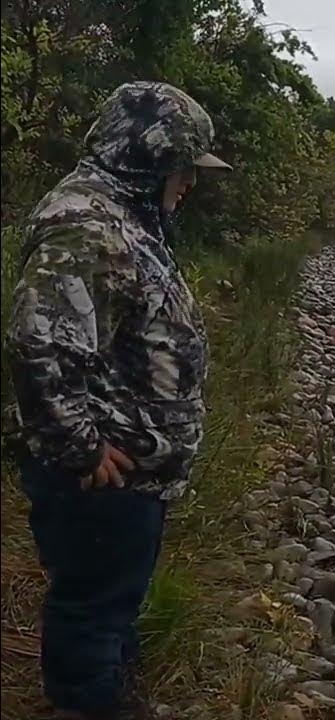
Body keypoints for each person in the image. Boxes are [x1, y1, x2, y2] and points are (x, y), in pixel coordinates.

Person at [7, 81, 230, 719]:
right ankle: (88, 705)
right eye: (183, 166)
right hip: (104, 478)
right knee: (92, 610)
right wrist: (80, 450)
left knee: (110, 605)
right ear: (149, 157)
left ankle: (112, 694)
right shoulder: (87, 224)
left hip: (128, 474)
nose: (190, 182)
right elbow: (38, 342)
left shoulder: (124, 215)